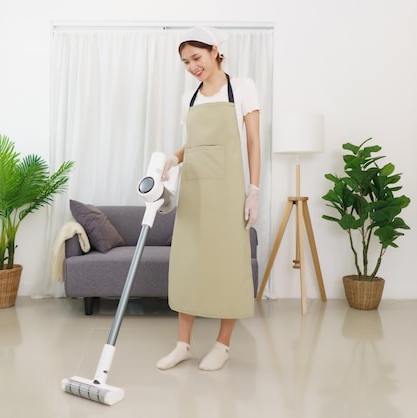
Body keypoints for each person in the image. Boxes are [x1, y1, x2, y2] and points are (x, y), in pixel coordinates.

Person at [157, 26, 261, 371]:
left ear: (215, 50)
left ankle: (222, 345)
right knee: (189, 263)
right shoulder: (191, 99)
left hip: (229, 191)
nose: (192, 66)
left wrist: (254, 191)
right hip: (195, 192)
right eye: (186, 62)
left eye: (196, 58)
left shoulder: (242, 88)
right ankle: (183, 345)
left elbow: (252, 143)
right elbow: (196, 146)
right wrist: (173, 158)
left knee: (228, 263)